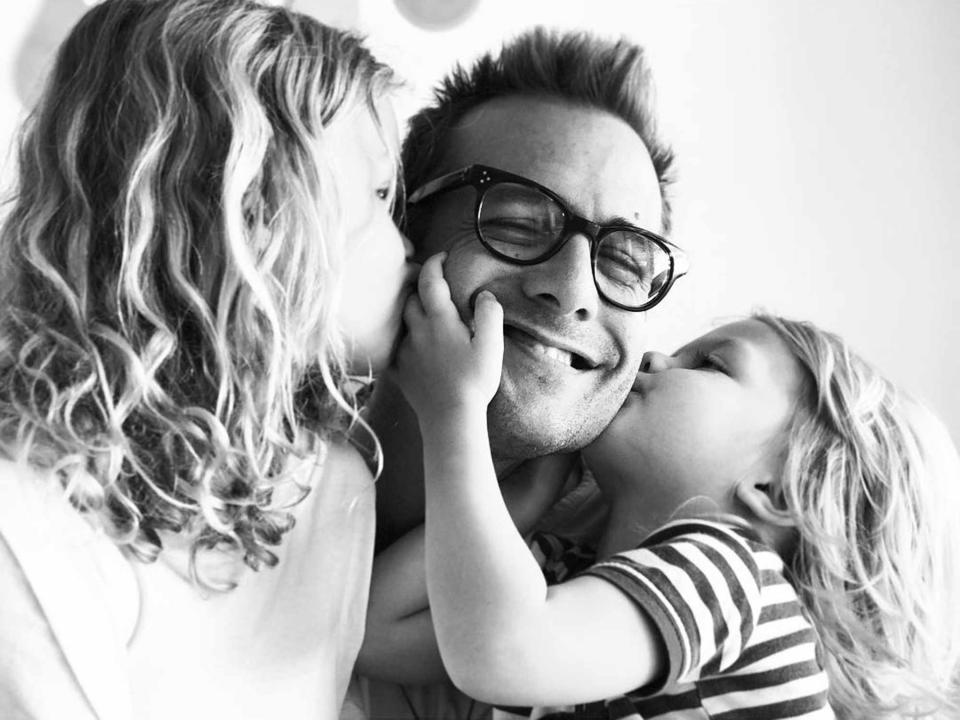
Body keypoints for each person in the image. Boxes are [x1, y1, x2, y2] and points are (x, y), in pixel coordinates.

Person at [0, 1, 414, 718]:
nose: (406, 244)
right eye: (379, 194)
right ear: (253, 216)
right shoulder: (25, 506)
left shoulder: (331, 483)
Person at [393, 261, 960, 718]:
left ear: (780, 490)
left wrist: (453, 411)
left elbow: (502, 651)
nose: (655, 357)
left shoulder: (735, 577)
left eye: (710, 364)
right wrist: (525, 498)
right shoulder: (556, 579)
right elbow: (373, 634)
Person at [354, 27, 684, 719]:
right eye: (517, 223)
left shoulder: (611, 579)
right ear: (403, 231)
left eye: (625, 261)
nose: (573, 289)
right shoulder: (228, 459)